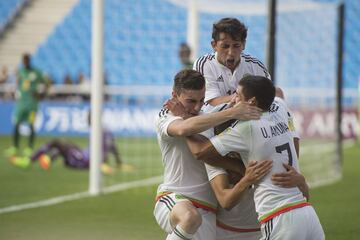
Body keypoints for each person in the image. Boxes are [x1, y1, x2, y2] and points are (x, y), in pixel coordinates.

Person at [187, 75, 324, 240]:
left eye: (237, 95)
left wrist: (183, 121)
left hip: (279, 217)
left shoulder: (246, 128)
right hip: (306, 211)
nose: (233, 100)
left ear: (251, 102)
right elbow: (278, 94)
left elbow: (200, 152)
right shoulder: (280, 108)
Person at [153, 69, 267, 240]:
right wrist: (233, 112)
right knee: (189, 218)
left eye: (201, 100)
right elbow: (184, 128)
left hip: (209, 211)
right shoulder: (167, 114)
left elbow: (234, 102)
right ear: (174, 95)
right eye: (190, 101)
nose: (197, 107)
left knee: (193, 219)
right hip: (176, 197)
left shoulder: (207, 115)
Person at [193, 17, 271, 106]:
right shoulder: (204, 64)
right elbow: (212, 102)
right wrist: (244, 97)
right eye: (225, 46)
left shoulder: (256, 66)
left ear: (243, 45)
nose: (231, 52)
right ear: (214, 45)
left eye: (236, 45)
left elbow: (268, 97)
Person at [5, 53, 49, 158]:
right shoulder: (20, 72)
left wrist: (41, 94)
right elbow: (18, 83)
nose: (25, 62)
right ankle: (15, 147)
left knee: (31, 125)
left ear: (29, 61)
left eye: (27, 60)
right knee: (17, 124)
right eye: (23, 60)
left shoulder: (36, 72)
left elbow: (47, 83)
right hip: (21, 103)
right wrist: (15, 92)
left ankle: (29, 147)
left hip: (32, 104)